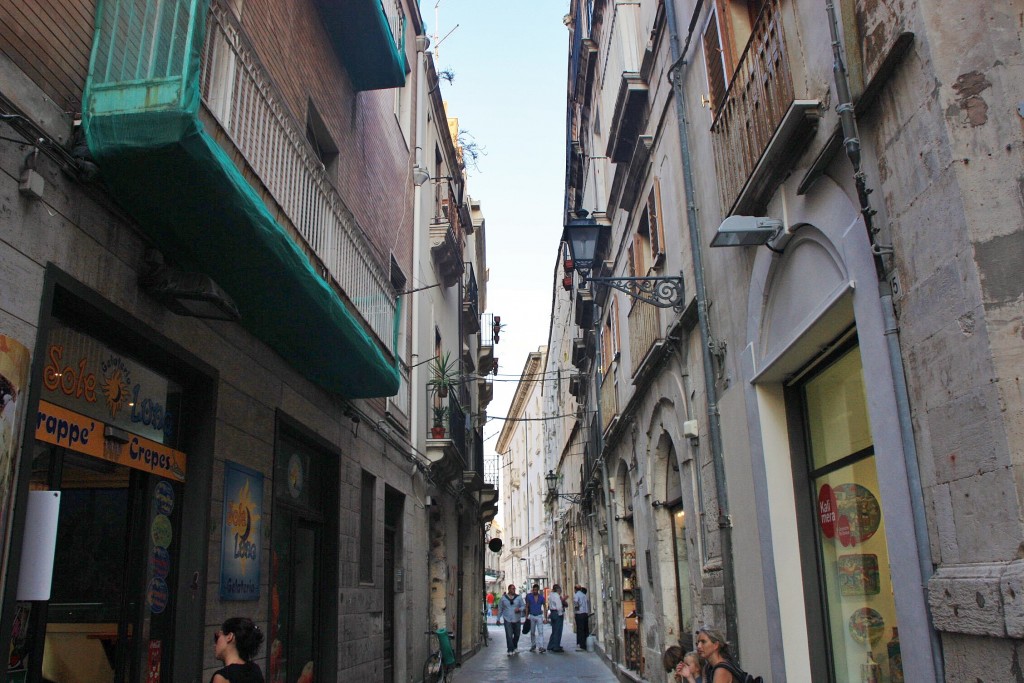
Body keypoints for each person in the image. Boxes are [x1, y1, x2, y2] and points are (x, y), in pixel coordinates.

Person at [211, 617, 265, 683]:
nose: (215, 645)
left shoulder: (222, 678)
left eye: (217, 637)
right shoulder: (255, 669)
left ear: (229, 637)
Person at [498, 583, 526, 656]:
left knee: (517, 634)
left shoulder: (519, 597)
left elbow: (523, 606)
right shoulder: (503, 598)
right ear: (509, 589)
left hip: (516, 619)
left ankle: (515, 646)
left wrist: (519, 609)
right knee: (509, 635)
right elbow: (500, 609)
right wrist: (498, 619)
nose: (514, 590)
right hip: (507, 619)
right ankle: (510, 649)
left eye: (514, 588)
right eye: (512, 589)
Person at [524, 583, 547, 652]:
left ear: (538, 590)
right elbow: (527, 606)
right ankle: (533, 645)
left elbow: (545, 607)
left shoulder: (541, 597)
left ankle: (541, 646)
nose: (534, 591)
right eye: (533, 590)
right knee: (532, 632)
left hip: (539, 616)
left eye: (536, 590)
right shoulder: (529, 597)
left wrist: (545, 618)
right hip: (532, 615)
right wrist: (526, 616)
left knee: (540, 632)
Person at [546, 584, 566, 652]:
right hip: (557, 613)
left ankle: (551, 645)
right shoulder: (557, 596)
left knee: (554, 630)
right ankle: (556, 646)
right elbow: (559, 607)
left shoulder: (551, 595)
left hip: (552, 612)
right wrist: (561, 614)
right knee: (558, 630)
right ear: (558, 590)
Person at [573, 585, 590, 651]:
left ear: (575, 589)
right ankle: (585, 644)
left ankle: (581, 644)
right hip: (585, 613)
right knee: (585, 629)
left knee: (580, 629)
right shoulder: (584, 595)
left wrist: (576, 610)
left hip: (579, 614)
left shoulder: (577, 595)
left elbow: (576, 603)